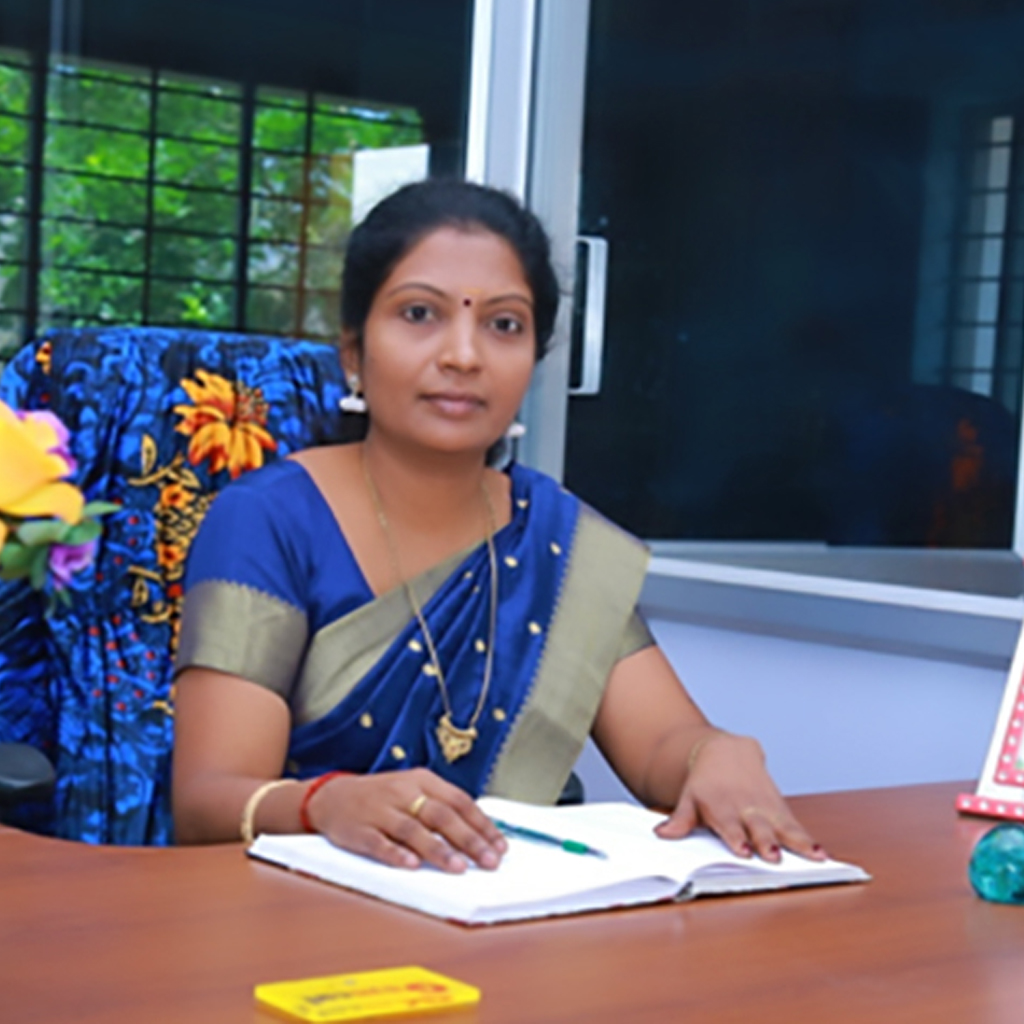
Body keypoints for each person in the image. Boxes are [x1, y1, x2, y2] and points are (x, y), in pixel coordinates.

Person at [172, 178, 824, 873]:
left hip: (514, 905)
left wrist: (711, 753)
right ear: (355, 352)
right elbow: (206, 801)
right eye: (419, 314)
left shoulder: (558, 541)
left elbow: (662, 743)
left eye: (504, 324)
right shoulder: (269, 519)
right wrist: (323, 804)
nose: (463, 355)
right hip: (305, 908)